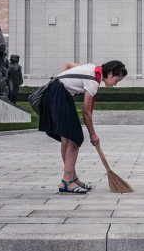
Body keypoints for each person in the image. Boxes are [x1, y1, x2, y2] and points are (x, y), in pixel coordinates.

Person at [39, 60, 127, 194]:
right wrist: (93, 134)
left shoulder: (91, 69)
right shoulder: (93, 80)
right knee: (75, 138)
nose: (115, 84)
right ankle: (67, 181)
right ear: (109, 73)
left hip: (56, 92)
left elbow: (68, 65)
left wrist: (65, 84)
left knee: (67, 138)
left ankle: (72, 178)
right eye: (116, 80)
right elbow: (86, 112)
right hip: (59, 94)